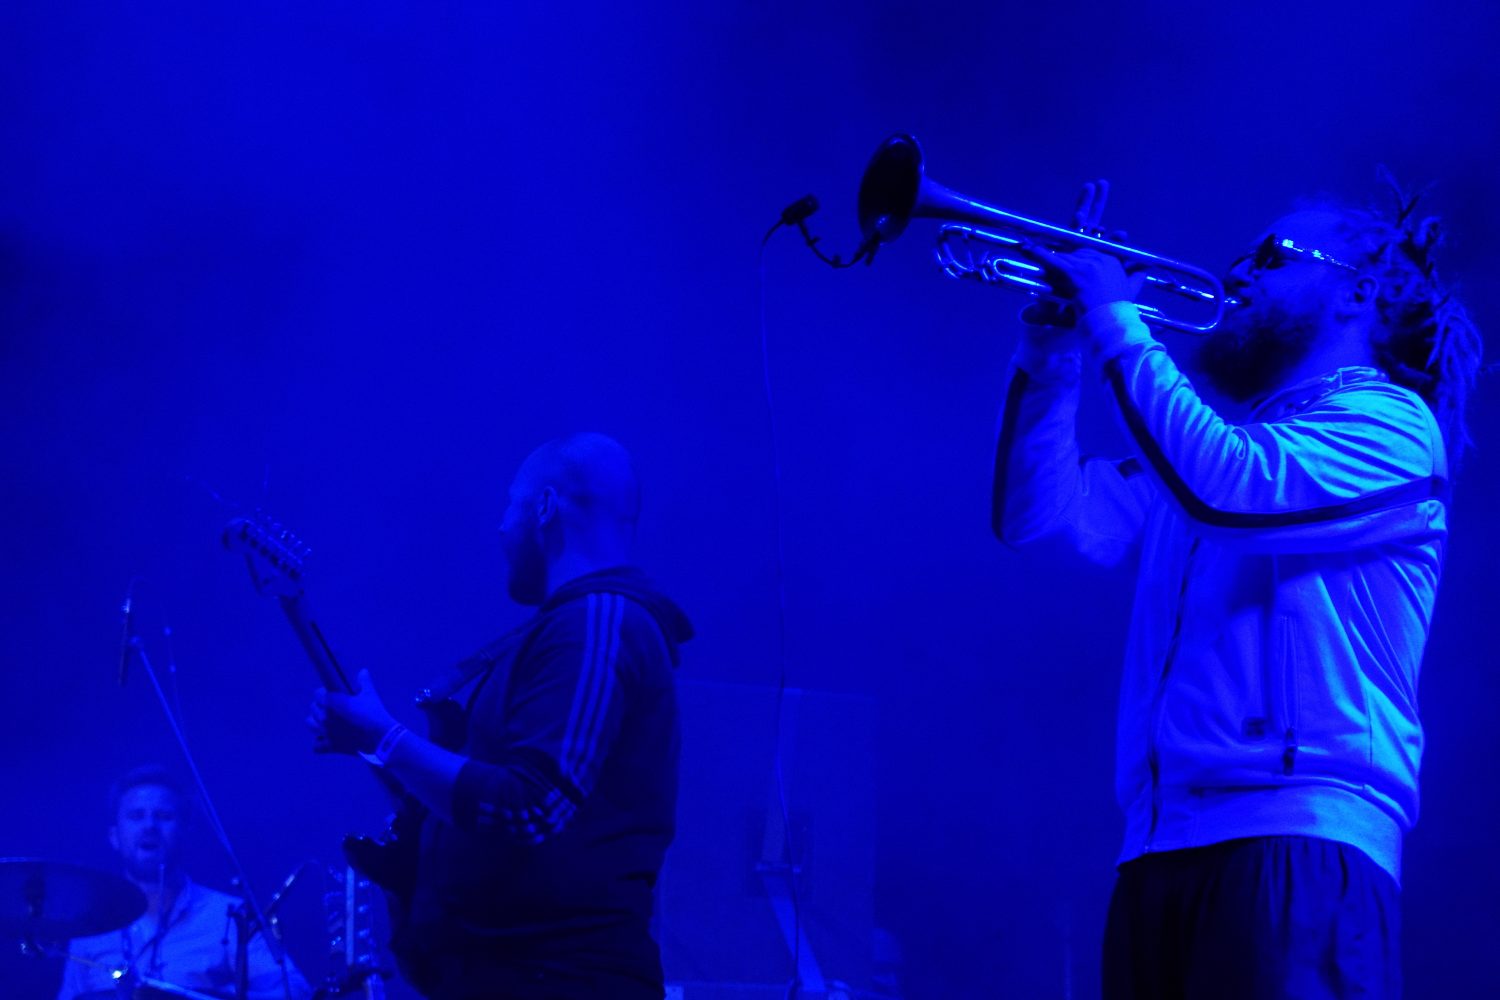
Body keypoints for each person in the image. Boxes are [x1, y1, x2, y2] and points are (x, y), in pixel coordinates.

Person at [992, 178, 1483, 998]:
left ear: (1358, 293)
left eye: (1273, 256)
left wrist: (1115, 316)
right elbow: (1039, 521)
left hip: (1299, 838)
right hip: (1156, 848)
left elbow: (1230, 492)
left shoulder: (1392, 426)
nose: (1237, 272)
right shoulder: (1215, 451)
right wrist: (1053, 351)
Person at [309, 431, 694, 1000]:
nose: (499, 528)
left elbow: (531, 805)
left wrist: (387, 739)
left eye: (510, 505)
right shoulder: (571, 628)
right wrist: (375, 747)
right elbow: (477, 808)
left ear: (545, 507)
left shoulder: (598, 621)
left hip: (560, 981)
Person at [55, 765, 311, 1000]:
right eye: (136, 816)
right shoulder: (88, 927)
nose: (149, 826)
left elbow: (295, 991)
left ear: (185, 832)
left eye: (164, 816)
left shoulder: (230, 915)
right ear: (114, 836)